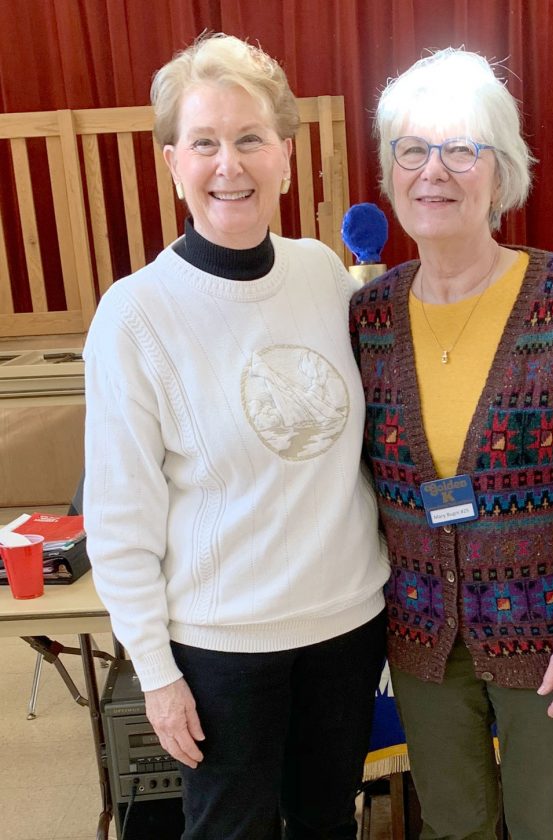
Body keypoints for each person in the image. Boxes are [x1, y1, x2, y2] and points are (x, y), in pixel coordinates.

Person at [83, 33, 389, 840]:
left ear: (284, 154)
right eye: (204, 143)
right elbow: (119, 516)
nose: (230, 165)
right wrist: (155, 672)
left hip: (347, 624)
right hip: (221, 648)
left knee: (328, 823)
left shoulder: (323, 274)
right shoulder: (135, 315)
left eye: (250, 138)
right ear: (172, 162)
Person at [349, 48, 553, 840]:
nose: (433, 171)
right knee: (452, 824)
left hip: (548, 629)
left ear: (500, 171)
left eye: (461, 149)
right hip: (419, 631)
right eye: (411, 150)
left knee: (545, 824)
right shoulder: (368, 318)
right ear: (390, 171)